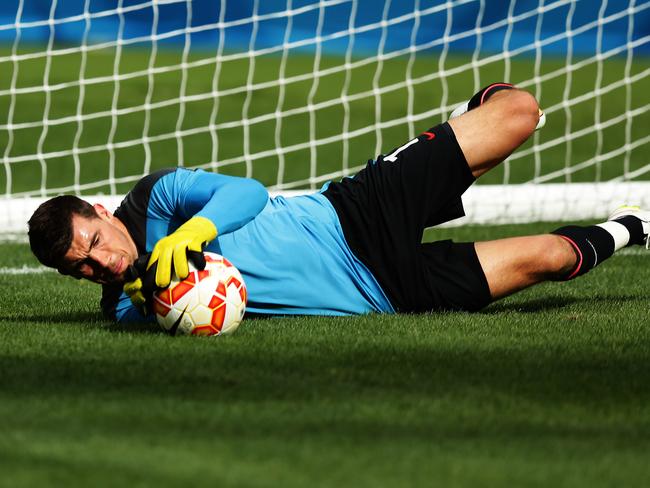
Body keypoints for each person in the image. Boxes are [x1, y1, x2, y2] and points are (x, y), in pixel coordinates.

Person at [27, 83, 650, 323]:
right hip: (388, 294)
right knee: (547, 255)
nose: (100, 264)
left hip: (354, 212)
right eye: (81, 267)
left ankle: (461, 125)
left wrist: (190, 236)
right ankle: (638, 224)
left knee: (520, 113)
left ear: (102, 213)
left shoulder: (156, 197)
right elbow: (169, 319)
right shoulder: (124, 307)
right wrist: (147, 299)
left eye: (94, 243)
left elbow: (246, 193)